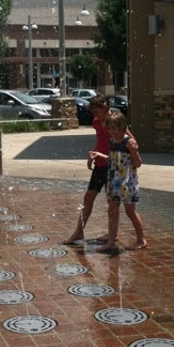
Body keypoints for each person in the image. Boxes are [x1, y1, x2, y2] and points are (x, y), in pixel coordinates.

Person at [90, 111, 146, 252]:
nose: (111, 131)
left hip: (128, 183)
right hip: (114, 181)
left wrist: (134, 152)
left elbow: (138, 163)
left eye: (114, 128)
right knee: (112, 210)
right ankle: (111, 241)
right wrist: (99, 155)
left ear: (122, 127)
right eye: (109, 128)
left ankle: (141, 240)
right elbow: (113, 159)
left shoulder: (129, 142)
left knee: (130, 212)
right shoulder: (112, 141)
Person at [62, 95, 114, 245]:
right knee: (88, 197)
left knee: (112, 203)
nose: (95, 116)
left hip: (112, 167)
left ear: (105, 108)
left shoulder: (115, 121)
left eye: (97, 112)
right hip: (100, 165)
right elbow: (101, 142)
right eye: (94, 113)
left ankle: (112, 234)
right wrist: (93, 154)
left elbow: (129, 140)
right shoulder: (97, 122)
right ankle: (79, 232)